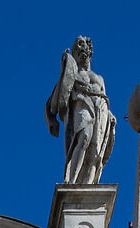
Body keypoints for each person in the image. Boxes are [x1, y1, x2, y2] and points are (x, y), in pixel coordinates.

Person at [43, 36, 116, 187]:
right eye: (78, 47)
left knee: (96, 150)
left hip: (100, 109)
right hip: (81, 103)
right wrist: (52, 120)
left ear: (90, 51)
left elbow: (105, 98)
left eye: (84, 45)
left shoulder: (100, 78)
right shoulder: (71, 74)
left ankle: (89, 185)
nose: (81, 49)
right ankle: (72, 180)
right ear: (74, 53)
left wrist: (110, 115)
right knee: (83, 137)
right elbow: (54, 100)